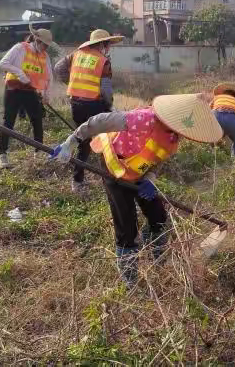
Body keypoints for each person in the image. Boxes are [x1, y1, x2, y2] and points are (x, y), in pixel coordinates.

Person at [51, 93, 222, 289]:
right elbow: (99, 121)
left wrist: (150, 179)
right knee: (126, 224)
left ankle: (157, 257)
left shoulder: (173, 137)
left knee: (158, 216)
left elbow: (157, 161)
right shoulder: (142, 119)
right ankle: (129, 276)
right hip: (113, 165)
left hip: (138, 172)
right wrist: (71, 142)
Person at [54, 29, 123, 192]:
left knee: (82, 142)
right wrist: (110, 105)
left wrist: (72, 84)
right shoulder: (102, 60)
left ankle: (77, 182)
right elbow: (105, 89)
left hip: (76, 104)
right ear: (103, 44)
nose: (109, 48)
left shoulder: (76, 54)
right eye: (108, 44)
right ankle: (110, 178)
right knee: (107, 141)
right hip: (94, 105)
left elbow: (58, 68)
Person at [0, 24, 56, 168]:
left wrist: (46, 95)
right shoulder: (20, 48)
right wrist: (20, 73)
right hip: (14, 89)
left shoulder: (45, 56)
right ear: (37, 40)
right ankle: (3, 154)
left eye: (47, 46)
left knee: (37, 120)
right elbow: (3, 63)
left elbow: (49, 77)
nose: (45, 48)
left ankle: (38, 151)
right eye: (44, 45)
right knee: (8, 122)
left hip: (31, 91)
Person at [210, 83, 235, 157]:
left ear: (223, 92)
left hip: (215, 115)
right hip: (231, 118)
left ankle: (212, 156)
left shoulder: (217, 97)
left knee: (212, 138)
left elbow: (209, 108)